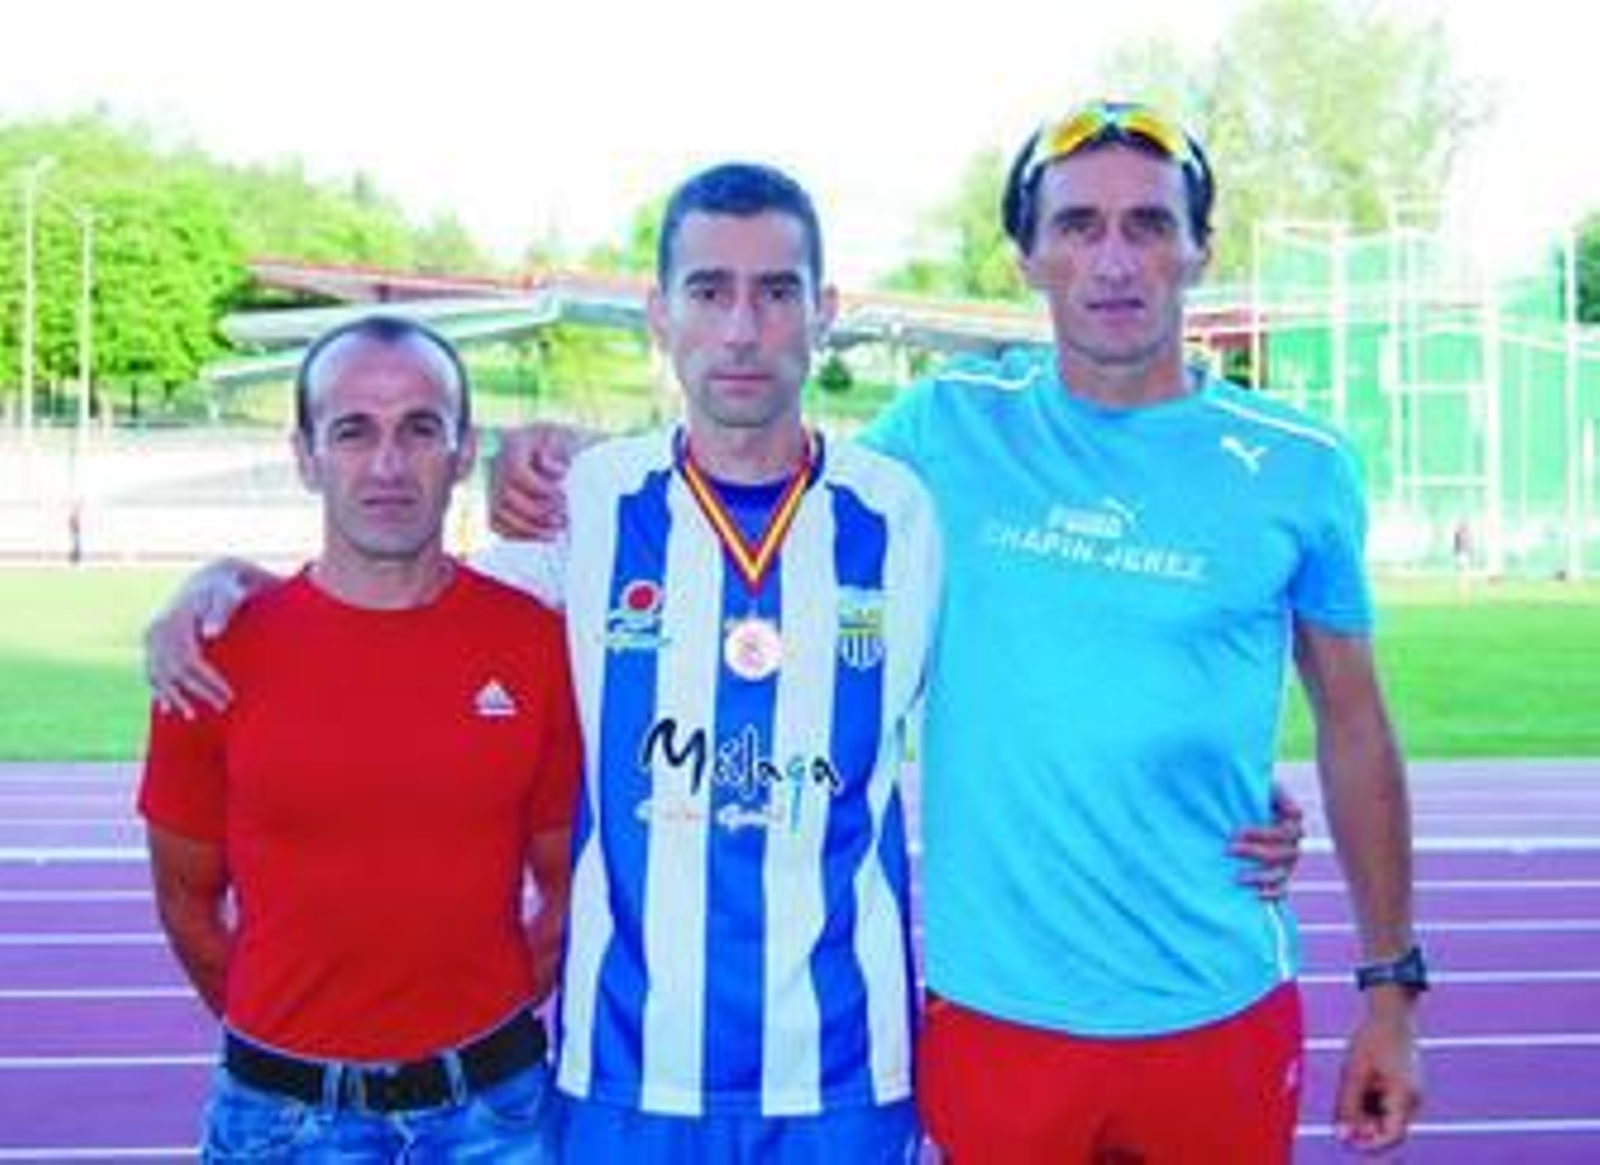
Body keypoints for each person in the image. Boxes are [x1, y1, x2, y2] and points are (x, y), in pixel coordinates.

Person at [146, 162, 1306, 1162]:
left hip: (842, 1072)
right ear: (661, 315)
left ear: (826, 312)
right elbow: (393, 589)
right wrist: (219, 590)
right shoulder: (588, 507)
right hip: (625, 1075)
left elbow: (1063, 636)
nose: (742, 328)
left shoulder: (907, 514)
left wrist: (1212, 784)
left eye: (774, 292)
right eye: (710, 291)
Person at [492, 103, 1422, 1161]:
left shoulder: (1299, 464)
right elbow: (751, 455)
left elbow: (1355, 727)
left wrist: (1391, 986)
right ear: (1026, 256)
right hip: (994, 1010)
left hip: (1214, 996)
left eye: (1148, 225)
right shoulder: (945, 431)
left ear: (1199, 248)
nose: (1112, 260)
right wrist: (545, 455)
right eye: (1075, 225)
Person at [138, 315, 581, 1161]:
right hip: (281, 1120)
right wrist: (289, 1046)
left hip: (494, 1117)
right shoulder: (210, 649)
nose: (387, 465)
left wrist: (477, 1029)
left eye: (420, 429)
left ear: (461, 450)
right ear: (305, 455)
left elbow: (565, 886)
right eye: (353, 431)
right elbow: (185, 901)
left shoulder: (534, 643)